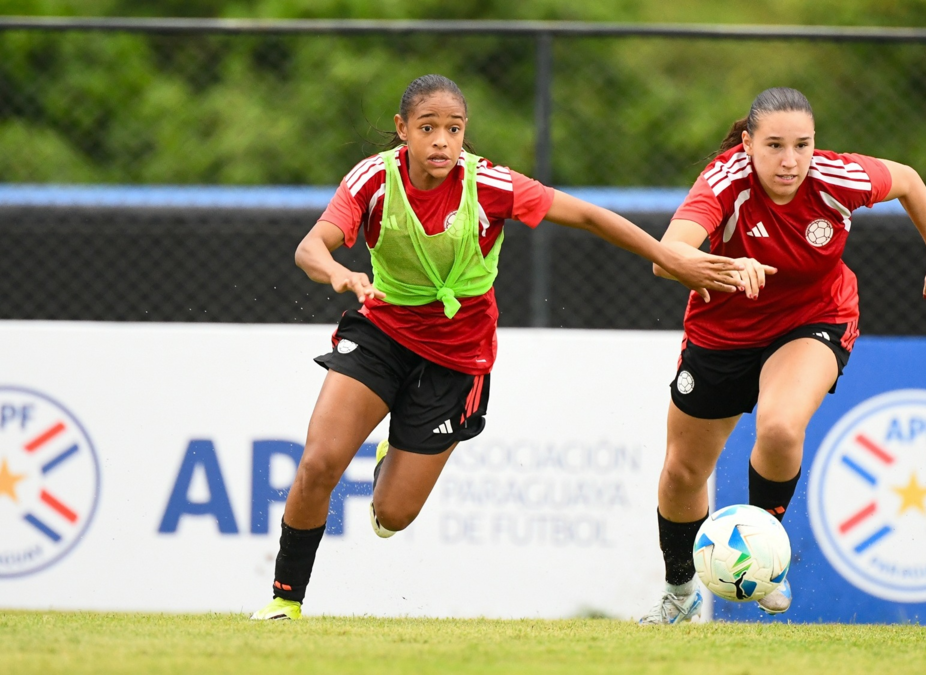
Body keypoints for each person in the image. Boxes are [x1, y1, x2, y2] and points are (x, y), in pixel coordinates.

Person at [251, 74, 742, 620]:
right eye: (428, 128)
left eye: (454, 129)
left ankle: (395, 450)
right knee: (319, 463)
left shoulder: (488, 183)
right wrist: (338, 273)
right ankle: (284, 602)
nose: (442, 141)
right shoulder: (373, 180)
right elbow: (310, 246)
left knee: (392, 517)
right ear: (402, 130)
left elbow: (584, 214)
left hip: (457, 360)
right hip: (381, 336)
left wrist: (671, 257)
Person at [639, 87, 926, 624]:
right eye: (774, 146)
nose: (790, 161)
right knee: (682, 472)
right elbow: (665, 256)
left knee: (782, 427)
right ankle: (680, 592)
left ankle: (767, 554)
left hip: (813, 318)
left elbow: (906, 178)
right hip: (722, 334)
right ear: (747, 144)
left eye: (802, 145)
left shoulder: (835, 179)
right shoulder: (725, 181)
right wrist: (722, 267)